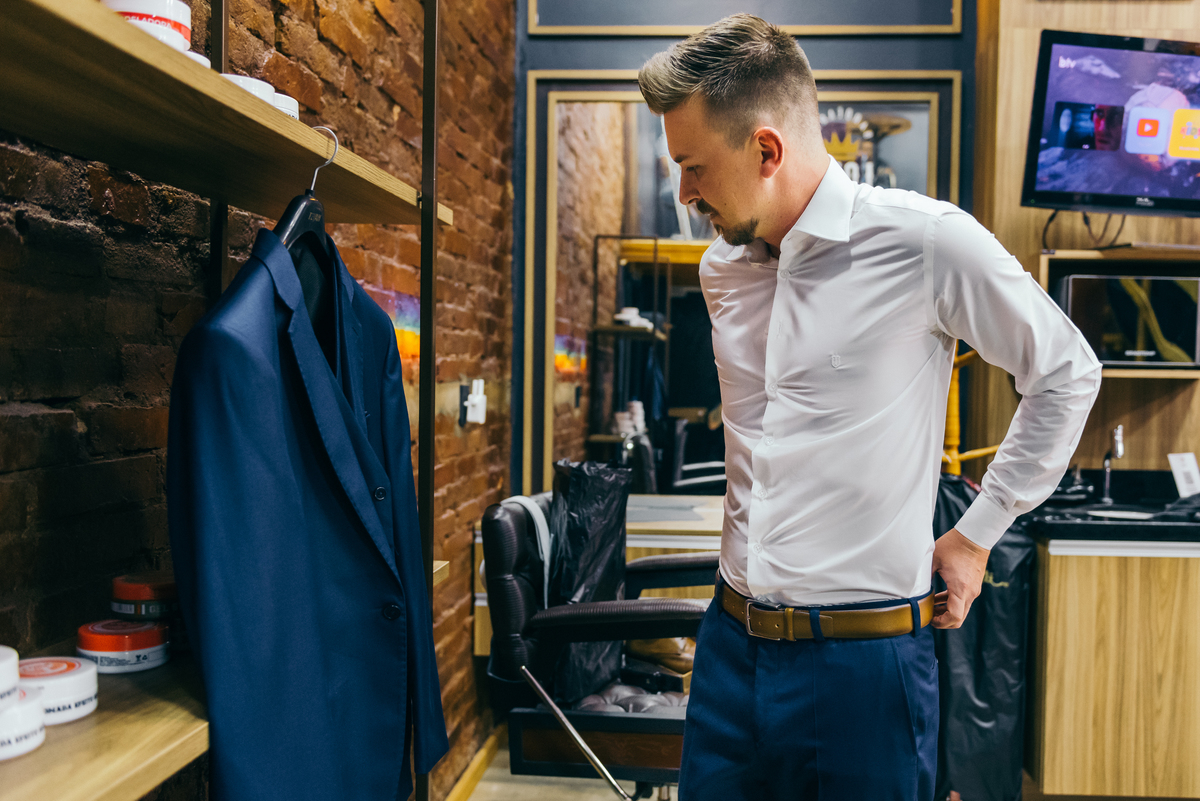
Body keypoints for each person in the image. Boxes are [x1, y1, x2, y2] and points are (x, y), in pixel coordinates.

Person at [638, 15, 1101, 801]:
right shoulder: (723, 268)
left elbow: (1066, 372)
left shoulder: (927, 244)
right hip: (729, 649)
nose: (684, 194)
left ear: (765, 150)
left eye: (693, 167)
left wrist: (977, 533)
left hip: (862, 666)